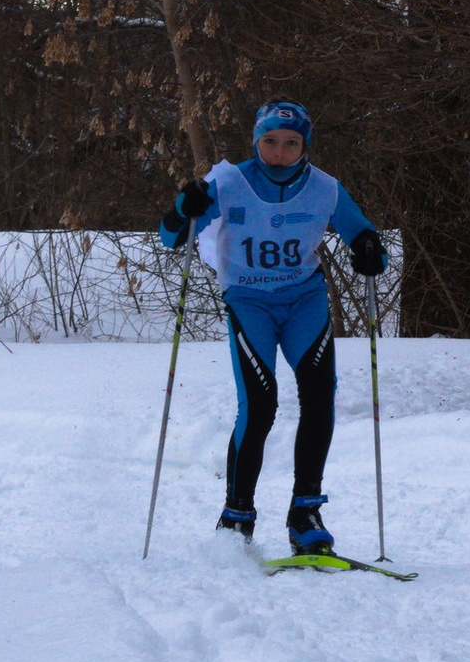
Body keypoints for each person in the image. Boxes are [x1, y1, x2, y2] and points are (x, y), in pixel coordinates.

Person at [156, 101, 388, 553]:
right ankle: (237, 514)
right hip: (249, 301)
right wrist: (184, 207)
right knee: (260, 404)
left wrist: (369, 249)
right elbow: (171, 237)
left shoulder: (325, 188)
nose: (279, 152)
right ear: (256, 141)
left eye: (291, 143)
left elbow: (362, 233)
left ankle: (305, 513)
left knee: (320, 397)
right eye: (270, 141)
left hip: (304, 301)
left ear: (304, 145)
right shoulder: (228, 182)